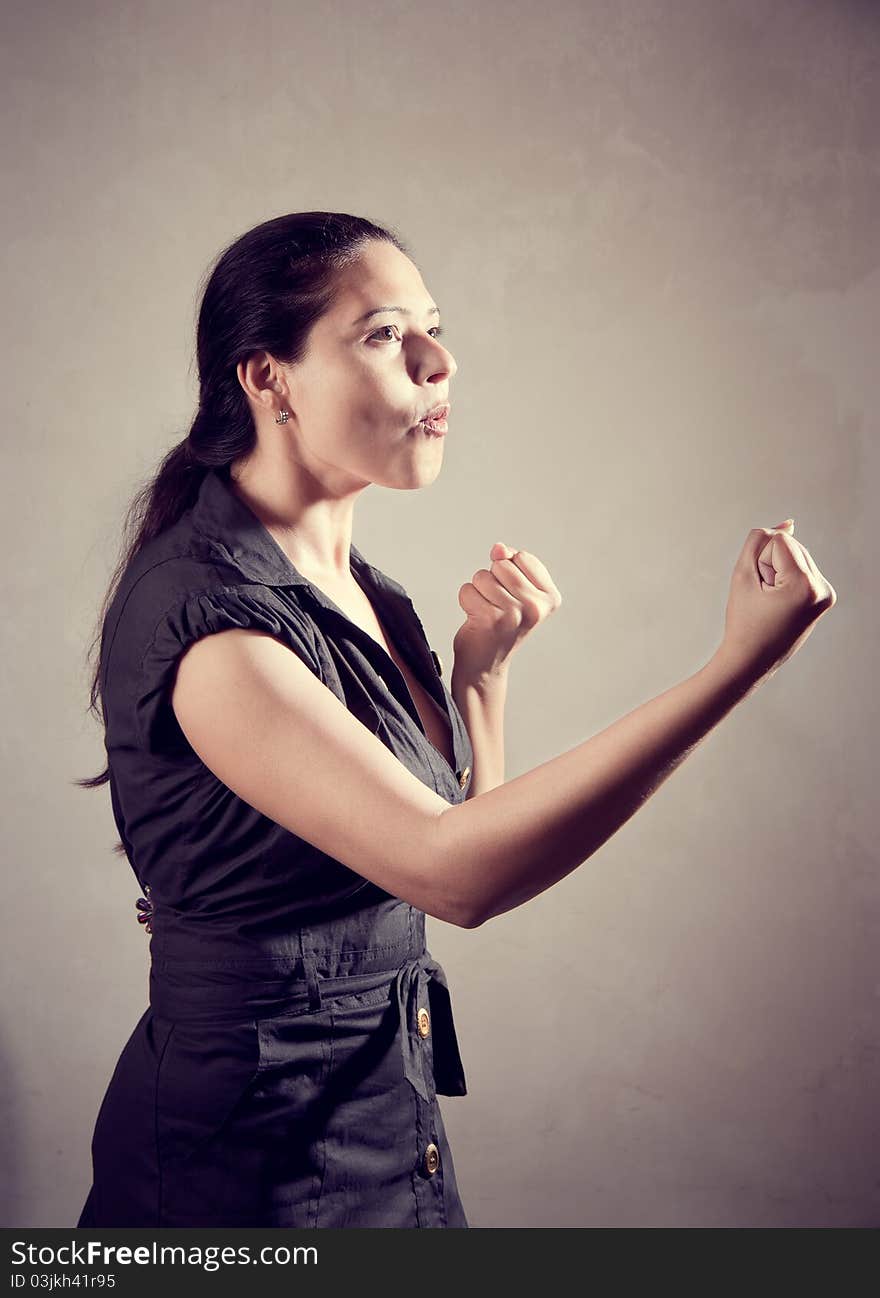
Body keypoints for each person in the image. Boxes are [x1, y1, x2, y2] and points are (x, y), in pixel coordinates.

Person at [74, 210, 837, 1229]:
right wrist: (738, 663)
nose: (441, 361)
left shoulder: (371, 596)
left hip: (392, 1130)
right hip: (245, 1175)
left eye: (431, 327)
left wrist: (479, 680)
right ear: (268, 378)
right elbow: (457, 874)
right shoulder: (214, 622)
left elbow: (456, 837)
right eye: (386, 333)